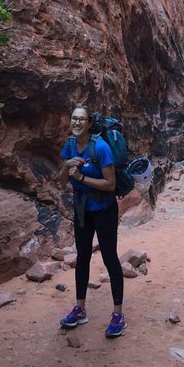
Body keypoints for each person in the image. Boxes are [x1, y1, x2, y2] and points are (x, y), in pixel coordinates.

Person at [58, 105, 126, 338]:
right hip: (82, 209)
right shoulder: (69, 145)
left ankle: (118, 314)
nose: (77, 123)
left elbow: (110, 184)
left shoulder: (101, 147)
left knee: (109, 258)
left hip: (104, 209)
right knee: (83, 257)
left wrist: (81, 177)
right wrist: (66, 167)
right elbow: (60, 181)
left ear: (89, 124)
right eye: (74, 119)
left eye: (81, 120)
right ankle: (80, 308)